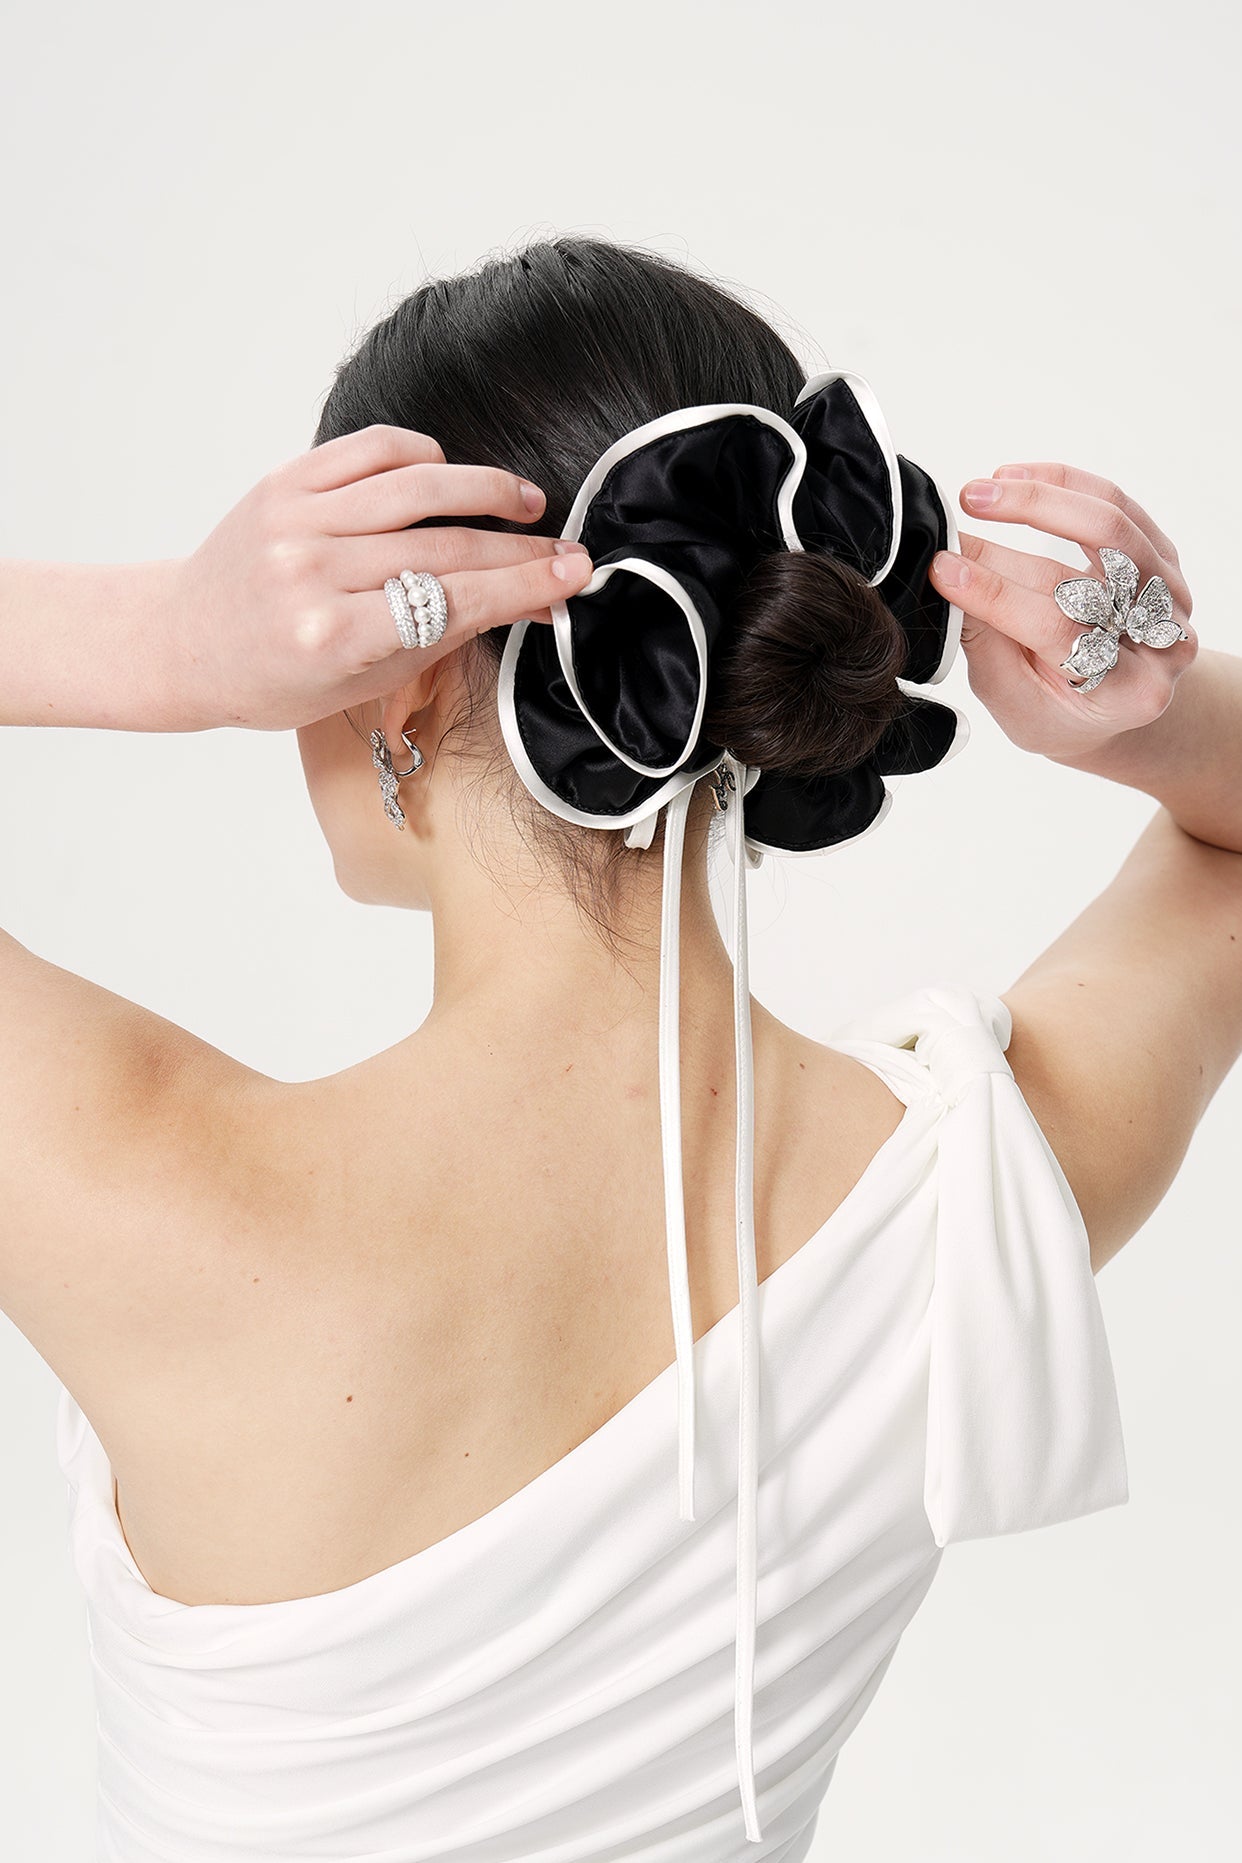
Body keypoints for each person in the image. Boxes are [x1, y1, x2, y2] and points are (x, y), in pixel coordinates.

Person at [2, 233, 1238, 1860]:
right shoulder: (968, 1191)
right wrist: (1151, 706)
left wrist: (165, 641)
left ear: (397, 683)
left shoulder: (141, 1182)